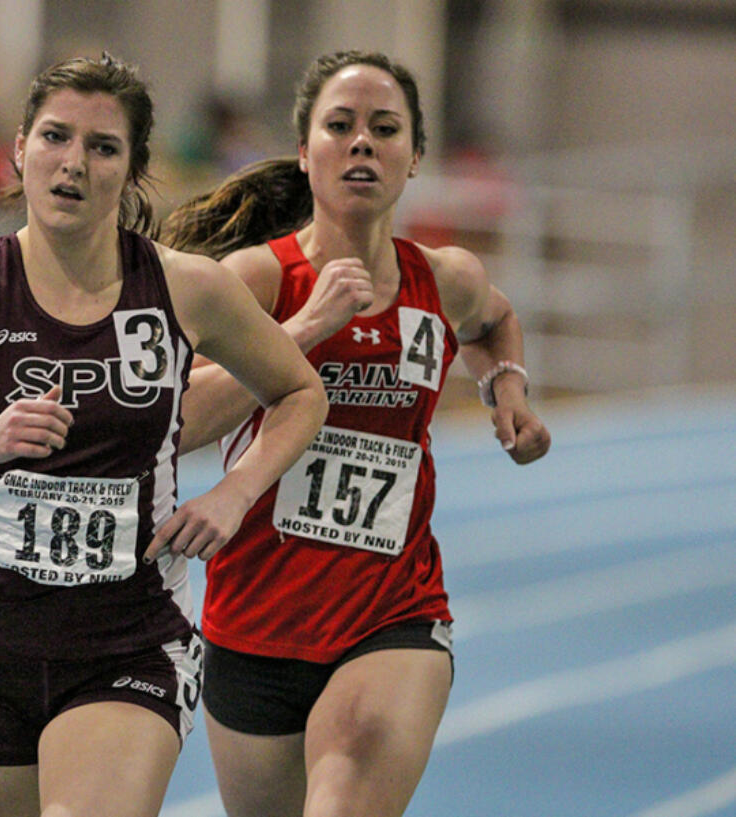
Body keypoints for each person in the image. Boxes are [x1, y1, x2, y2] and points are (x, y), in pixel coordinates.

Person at [0, 54, 326, 817]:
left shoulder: (183, 287)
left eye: (102, 147)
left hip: (127, 643)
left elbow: (299, 389)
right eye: (56, 138)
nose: (74, 164)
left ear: (132, 169)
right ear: (20, 149)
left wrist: (235, 492)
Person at [161, 50, 551, 817]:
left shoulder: (442, 278)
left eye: (384, 128)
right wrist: (302, 332)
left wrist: (507, 384)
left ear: (414, 158)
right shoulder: (256, 282)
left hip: (392, 612)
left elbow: (494, 319)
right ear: (306, 154)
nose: (362, 143)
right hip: (254, 619)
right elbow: (175, 425)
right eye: (340, 127)